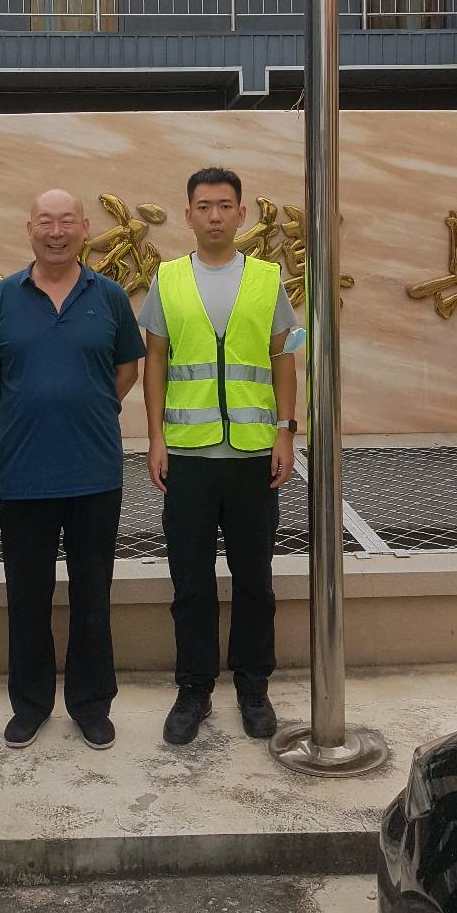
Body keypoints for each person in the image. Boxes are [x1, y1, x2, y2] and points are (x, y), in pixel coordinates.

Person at [0, 189, 146, 752]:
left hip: (95, 470)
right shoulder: (0, 299)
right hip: (24, 471)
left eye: (67, 221)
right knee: (26, 596)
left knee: (92, 595)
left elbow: (127, 369)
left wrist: (90, 404)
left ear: (85, 227)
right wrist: (28, 410)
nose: (56, 231)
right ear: (29, 228)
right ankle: (30, 705)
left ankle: (91, 705)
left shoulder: (110, 296)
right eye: (45, 221)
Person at [139, 167, 298, 746]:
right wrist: (155, 438)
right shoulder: (168, 278)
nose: (214, 215)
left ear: (241, 214)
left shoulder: (267, 278)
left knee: (255, 579)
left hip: (254, 456)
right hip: (189, 456)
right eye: (203, 206)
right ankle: (194, 689)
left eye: (225, 205)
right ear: (188, 214)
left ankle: (254, 687)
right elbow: (156, 361)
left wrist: (286, 431)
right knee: (191, 582)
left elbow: (285, 357)